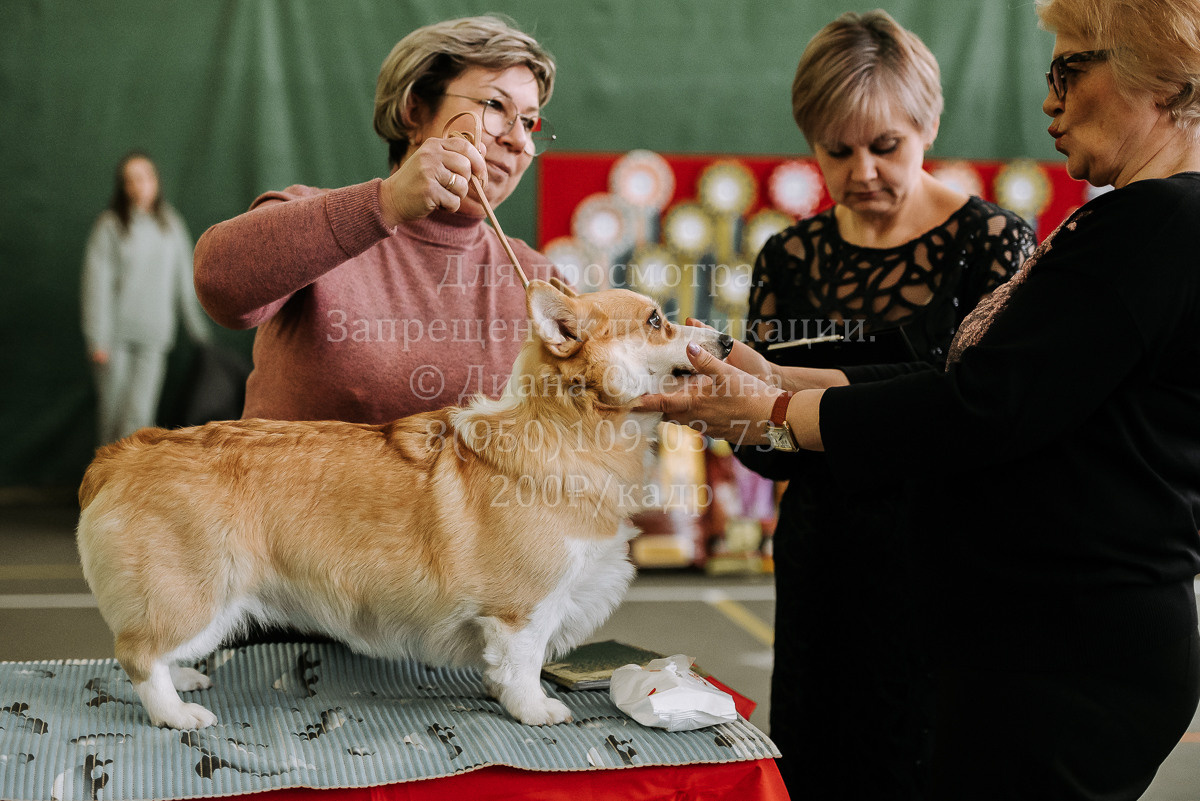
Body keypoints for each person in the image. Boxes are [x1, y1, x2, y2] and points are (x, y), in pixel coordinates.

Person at [642, 0, 1200, 797]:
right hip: (990, 625)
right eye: (838, 150)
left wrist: (775, 405)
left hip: (1057, 648)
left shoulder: (1150, 227)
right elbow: (956, 389)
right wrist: (769, 384)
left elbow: (975, 405)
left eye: (1069, 68)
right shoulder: (1140, 223)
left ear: (1151, 72)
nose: (1050, 98)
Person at [732, 11, 1035, 798]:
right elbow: (755, 439)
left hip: (950, 570)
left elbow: (987, 419)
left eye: (885, 146)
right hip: (822, 572)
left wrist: (790, 401)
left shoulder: (995, 244)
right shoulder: (788, 255)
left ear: (928, 124)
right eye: (837, 151)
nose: (862, 170)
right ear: (810, 142)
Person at [193, 15, 564, 425]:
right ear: (414, 110)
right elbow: (217, 284)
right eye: (495, 105)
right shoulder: (313, 217)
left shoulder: (539, 280)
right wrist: (384, 203)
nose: (519, 141)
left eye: (530, 122)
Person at [82, 151, 212, 445]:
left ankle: (130, 488)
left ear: (155, 181)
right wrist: (97, 339)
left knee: (139, 418)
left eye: (145, 177)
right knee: (112, 417)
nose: (139, 186)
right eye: (131, 180)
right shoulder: (110, 226)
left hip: (155, 337)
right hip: (114, 340)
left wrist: (201, 337)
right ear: (123, 187)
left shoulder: (171, 224)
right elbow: (96, 285)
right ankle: (105, 487)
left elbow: (185, 284)